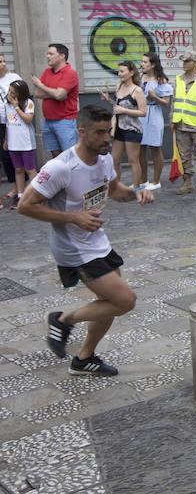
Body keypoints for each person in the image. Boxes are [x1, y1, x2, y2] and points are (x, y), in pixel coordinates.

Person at [17, 105, 154, 376]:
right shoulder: (60, 167)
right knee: (125, 300)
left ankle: (84, 358)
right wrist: (74, 218)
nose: (107, 139)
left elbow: (114, 191)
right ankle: (62, 320)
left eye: (109, 132)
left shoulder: (104, 160)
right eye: (100, 133)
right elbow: (24, 205)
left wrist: (136, 193)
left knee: (108, 303)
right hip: (74, 249)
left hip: (97, 242)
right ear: (82, 132)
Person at [100, 61, 147, 189]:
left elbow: (143, 112)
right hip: (119, 128)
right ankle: (116, 185)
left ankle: (137, 187)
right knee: (114, 159)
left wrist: (124, 111)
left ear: (131, 73)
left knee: (133, 160)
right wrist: (108, 100)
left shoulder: (137, 90)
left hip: (132, 129)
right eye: (118, 71)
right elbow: (118, 107)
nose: (119, 74)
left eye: (122, 71)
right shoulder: (119, 86)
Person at [170, 50, 196, 195]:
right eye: (183, 61)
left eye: (187, 61)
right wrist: (172, 120)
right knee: (184, 155)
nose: (184, 64)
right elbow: (174, 101)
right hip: (180, 123)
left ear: (195, 63)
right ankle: (187, 182)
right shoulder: (178, 79)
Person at [31, 43, 79, 157]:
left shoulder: (70, 73)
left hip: (65, 121)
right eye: (47, 54)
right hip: (48, 121)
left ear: (62, 56)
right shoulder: (47, 72)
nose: (47, 56)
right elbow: (38, 94)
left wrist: (41, 85)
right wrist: (57, 93)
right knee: (56, 156)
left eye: (51, 54)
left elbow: (57, 94)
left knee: (70, 155)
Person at [137, 53, 172, 191]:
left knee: (155, 147)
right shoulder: (140, 77)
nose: (142, 64)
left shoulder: (161, 80)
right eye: (142, 61)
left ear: (153, 64)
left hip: (154, 113)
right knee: (141, 148)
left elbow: (165, 103)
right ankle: (143, 179)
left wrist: (154, 96)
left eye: (145, 62)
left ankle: (156, 180)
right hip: (141, 113)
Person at [3, 80, 37, 211]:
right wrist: (6, 139)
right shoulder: (7, 106)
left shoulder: (28, 103)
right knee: (18, 170)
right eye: (9, 92)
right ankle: (20, 195)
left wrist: (17, 106)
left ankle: (35, 196)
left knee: (30, 170)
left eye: (13, 93)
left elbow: (28, 119)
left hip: (26, 143)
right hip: (13, 143)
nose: (10, 95)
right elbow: (7, 123)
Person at [0, 54, 22, 202]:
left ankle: (21, 188)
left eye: (3, 61)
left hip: (12, 121)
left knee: (12, 154)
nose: (3, 64)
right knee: (4, 156)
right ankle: (14, 187)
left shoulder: (13, 77)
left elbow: (23, 97)